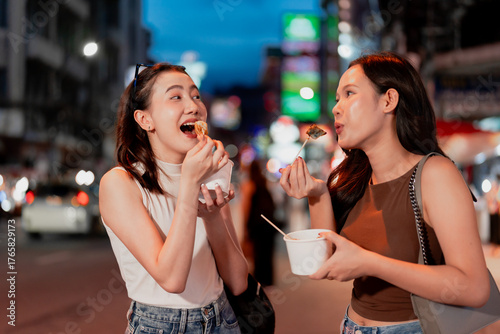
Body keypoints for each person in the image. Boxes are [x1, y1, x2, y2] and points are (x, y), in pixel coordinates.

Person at [279, 52, 490, 333]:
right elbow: (324, 262)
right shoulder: (354, 178)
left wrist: (370, 263)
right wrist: (317, 193)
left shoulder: (435, 174)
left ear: (388, 100)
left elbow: (474, 288)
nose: (336, 109)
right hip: (350, 325)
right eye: (336, 99)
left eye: (349, 94)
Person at [99, 63, 248, 333]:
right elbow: (172, 279)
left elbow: (238, 282)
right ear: (145, 120)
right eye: (176, 97)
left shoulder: (210, 174)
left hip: (222, 318)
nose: (194, 106)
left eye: (196, 96)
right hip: (161, 326)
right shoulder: (121, 183)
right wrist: (190, 184)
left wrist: (213, 215)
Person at [240, 159, 278, 286]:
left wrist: (244, 227)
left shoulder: (248, 184)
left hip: (256, 225)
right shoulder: (263, 181)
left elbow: (246, 207)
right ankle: (269, 281)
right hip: (268, 224)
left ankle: (260, 282)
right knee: (268, 253)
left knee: (258, 253)